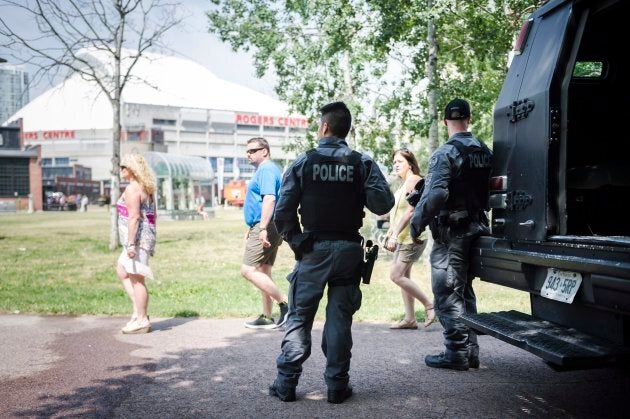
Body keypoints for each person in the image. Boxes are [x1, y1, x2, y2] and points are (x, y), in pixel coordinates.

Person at [269, 101, 394, 404]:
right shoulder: (361, 163)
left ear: (324, 126)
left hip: (314, 250)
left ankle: (286, 384)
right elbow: (383, 204)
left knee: (300, 317)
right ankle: (337, 387)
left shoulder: (303, 162)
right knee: (339, 319)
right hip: (349, 251)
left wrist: (296, 241)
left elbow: (282, 212)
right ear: (345, 129)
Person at [409, 98, 492, 371]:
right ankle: (472, 352)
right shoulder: (484, 150)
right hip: (478, 226)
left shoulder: (445, 153)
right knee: (464, 289)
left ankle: (457, 352)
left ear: (445, 122)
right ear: (469, 119)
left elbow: (437, 194)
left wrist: (416, 223)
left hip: (453, 232)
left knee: (447, 290)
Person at [240, 137, 289, 329]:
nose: (248, 155)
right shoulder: (266, 169)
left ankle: (285, 304)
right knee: (263, 271)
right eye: (247, 151)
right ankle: (267, 317)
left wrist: (261, 228)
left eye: (252, 151)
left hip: (266, 225)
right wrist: (252, 227)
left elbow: (269, 199)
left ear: (265, 151)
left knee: (248, 270)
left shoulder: (267, 169)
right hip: (265, 225)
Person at [385, 148, 434, 329]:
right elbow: (398, 212)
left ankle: (429, 305)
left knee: (396, 275)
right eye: (394, 162)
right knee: (404, 276)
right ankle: (410, 319)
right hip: (403, 237)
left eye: (400, 162)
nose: (395, 165)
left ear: (410, 164)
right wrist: (391, 232)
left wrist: (395, 234)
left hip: (413, 237)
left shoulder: (414, 180)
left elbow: (411, 210)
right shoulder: (404, 183)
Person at [116, 154, 157, 334]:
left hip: (136, 239)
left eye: (123, 167)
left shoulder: (133, 189)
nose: (121, 170)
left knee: (136, 279)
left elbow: (134, 217)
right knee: (122, 270)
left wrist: (131, 244)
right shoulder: (146, 187)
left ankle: (141, 319)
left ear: (131, 169)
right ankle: (138, 311)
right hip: (143, 238)